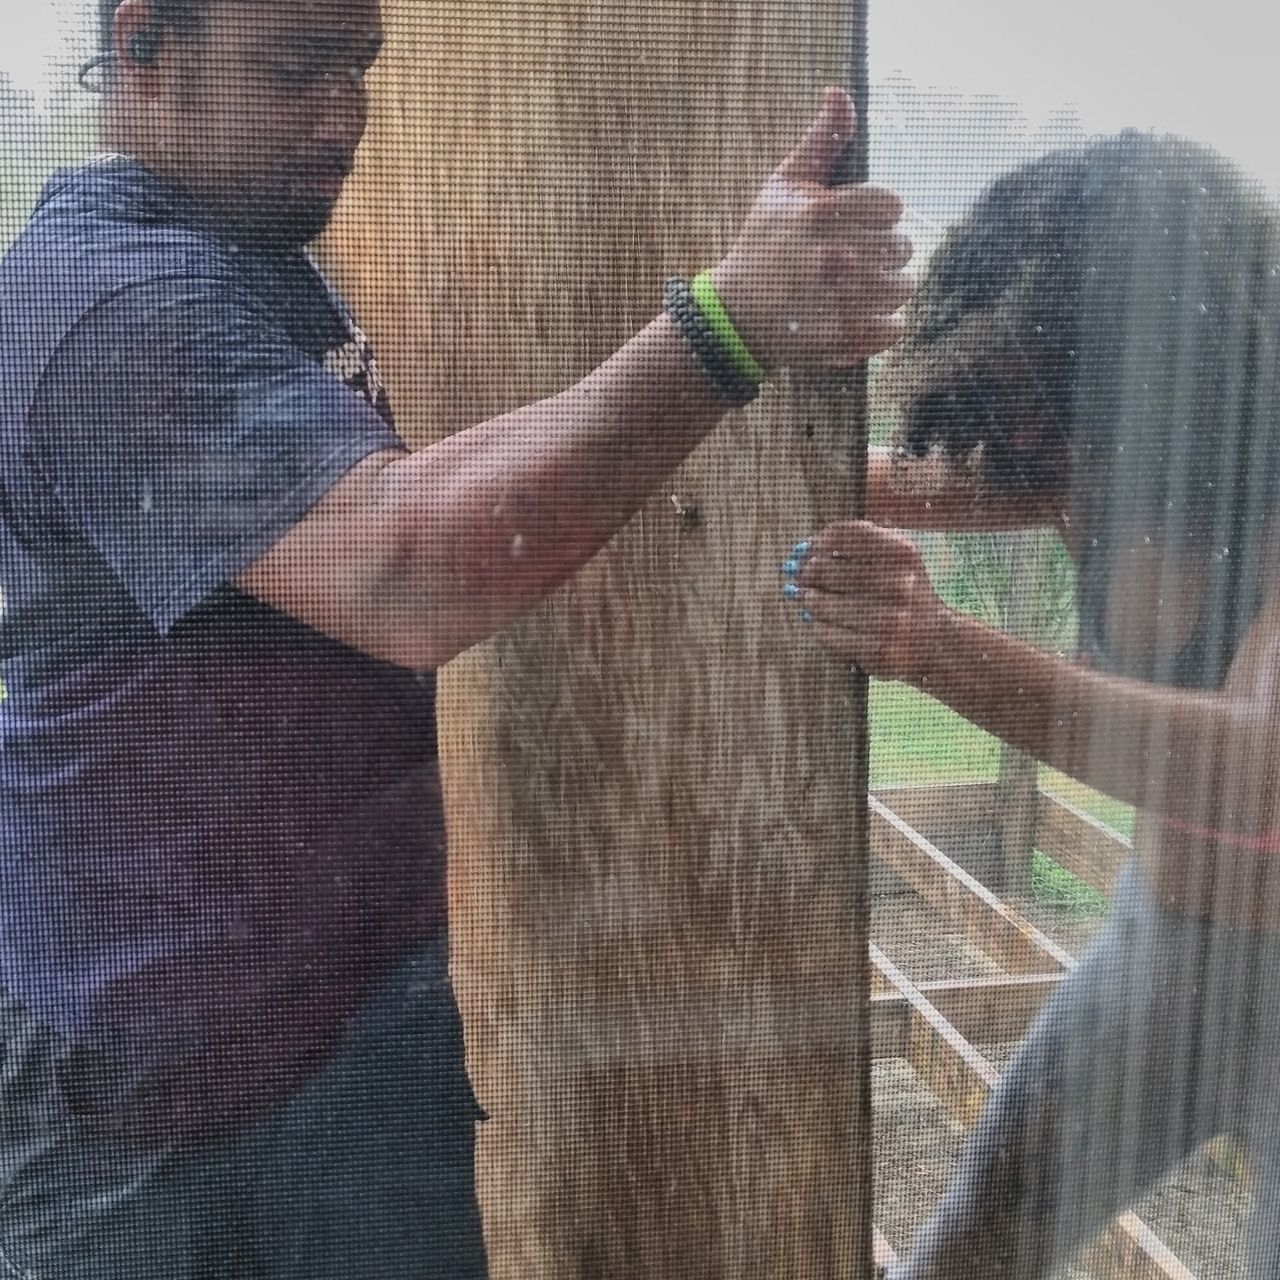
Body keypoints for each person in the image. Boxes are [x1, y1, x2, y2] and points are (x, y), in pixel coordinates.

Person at [0, 0, 913, 1275]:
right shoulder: (110, 309)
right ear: (146, 45)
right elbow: (409, 568)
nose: (343, 114)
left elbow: (391, 491)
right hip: (157, 1097)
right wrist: (723, 327)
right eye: (296, 70)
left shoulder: (237, 254)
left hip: (332, 1032)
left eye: (356, 67)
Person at [786, 131, 1280, 1277]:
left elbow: (1258, 771)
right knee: (978, 1231)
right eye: (999, 396)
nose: (1014, 438)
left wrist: (939, 647)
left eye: (1047, 392)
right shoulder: (1062, 462)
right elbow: (813, 466)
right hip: (1166, 946)